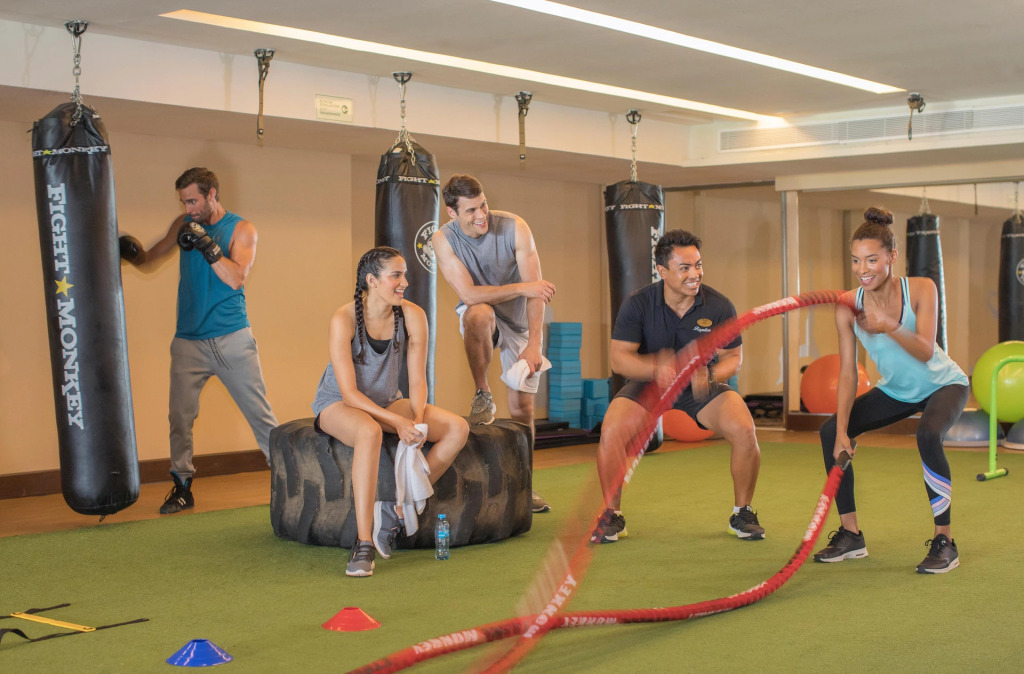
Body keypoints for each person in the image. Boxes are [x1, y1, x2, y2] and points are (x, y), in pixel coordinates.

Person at [815, 207, 969, 574]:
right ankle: (851, 535)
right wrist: (843, 432)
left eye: (872, 259)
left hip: (944, 383)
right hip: (897, 390)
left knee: (928, 433)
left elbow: (925, 351)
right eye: (856, 260)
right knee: (829, 432)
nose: (862, 268)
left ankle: (945, 540)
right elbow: (848, 372)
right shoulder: (847, 306)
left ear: (892, 257)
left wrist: (887, 324)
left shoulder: (921, 288)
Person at [118, 167, 278, 515]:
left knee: (260, 415)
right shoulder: (183, 223)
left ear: (212, 194)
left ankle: (289, 481)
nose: (188, 209)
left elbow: (236, 278)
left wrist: (207, 244)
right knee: (179, 418)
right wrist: (130, 253)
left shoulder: (241, 229)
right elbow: (150, 260)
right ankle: (182, 487)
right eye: (184, 202)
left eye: (193, 201)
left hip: (232, 337)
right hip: (188, 340)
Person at [592, 229, 765, 544]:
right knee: (612, 431)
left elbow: (733, 359)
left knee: (744, 430)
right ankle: (612, 515)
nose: (694, 274)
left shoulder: (718, 306)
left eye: (698, 265)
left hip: (699, 386)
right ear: (662, 271)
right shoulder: (638, 303)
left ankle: (742, 513)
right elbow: (619, 360)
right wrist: (656, 369)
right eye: (684, 267)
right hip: (649, 384)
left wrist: (711, 375)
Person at [312, 246, 470, 577]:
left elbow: (418, 380)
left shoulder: (413, 315)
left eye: (405, 275)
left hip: (387, 400)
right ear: (372, 280)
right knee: (369, 431)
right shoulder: (344, 319)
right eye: (396, 275)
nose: (404, 283)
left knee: (458, 428)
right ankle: (364, 542)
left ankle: (397, 508)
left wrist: (417, 423)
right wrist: (397, 422)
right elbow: (349, 393)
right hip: (339, 403)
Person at [432, 174, 555, 514]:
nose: (481, 215)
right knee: (477, 314)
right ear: (452, 212)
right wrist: (522, 287)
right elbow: (470, 295)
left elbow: (537, 293)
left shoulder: (516, 228)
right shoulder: (443, 239)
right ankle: (482, 392)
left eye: (483, 205)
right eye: (471, 210)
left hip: (520, 322)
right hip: (484, 311)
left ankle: (526, 485)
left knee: (523, 409)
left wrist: (534, 343)